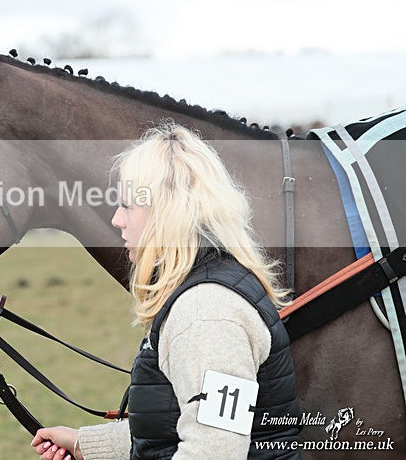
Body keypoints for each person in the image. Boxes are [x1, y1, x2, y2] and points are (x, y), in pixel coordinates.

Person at [30, 123, 301, 459]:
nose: (117, 219)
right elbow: (176, 429)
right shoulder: (211, 290)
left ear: (168, 212)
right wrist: (86, 445)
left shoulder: (207, 315)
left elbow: (215, 450)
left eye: (128, 206)